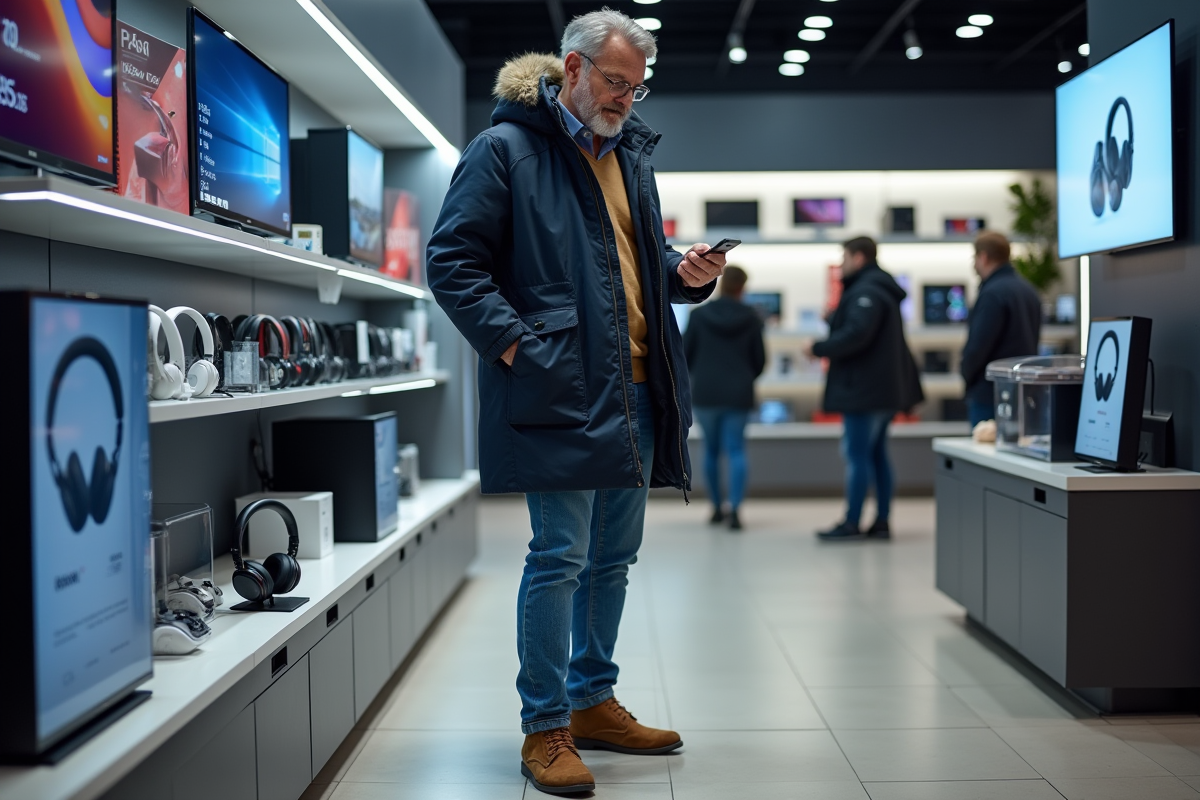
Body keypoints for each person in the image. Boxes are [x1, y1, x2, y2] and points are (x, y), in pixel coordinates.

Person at [425, 10, 724, 796]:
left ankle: (593, 702)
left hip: (637, 385)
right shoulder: (504, 151)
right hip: (558, 384)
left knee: (612, 561)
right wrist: (522, 347)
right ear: (573, 68)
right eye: (616, 81)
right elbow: (453, 262)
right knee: (558, 556)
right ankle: (545, 726)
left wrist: (681, 270)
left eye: (637, 86)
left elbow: (629, 255)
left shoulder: (629, 157)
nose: (627, 98)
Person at [804, 237, 923, 542]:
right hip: (883, 390)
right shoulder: (880, 289)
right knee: (877, 455)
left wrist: (818, 347)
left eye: (844, 257)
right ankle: (881, 521)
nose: (841, 265)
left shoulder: (865, 291)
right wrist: (835, 319)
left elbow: (858, 334)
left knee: (857, 455)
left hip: (864, 391)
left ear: (858, 257)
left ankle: (852, 522)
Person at [683, 266, 765, 531]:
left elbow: (685, 354)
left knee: (711, 451)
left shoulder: (699, 315)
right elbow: (759, 360)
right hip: (738, 393)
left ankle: (716, 508)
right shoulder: (752, 318)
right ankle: (736, 510)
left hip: (706, 392)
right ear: (742, 287)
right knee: (737, 449)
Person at [961, 231, 1043, 428]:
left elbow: (978, 347)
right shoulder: (1029, 291)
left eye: (975, 258)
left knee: (983, 453)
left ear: (983, 257)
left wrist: (966, 374)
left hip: (990, 393)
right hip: (1023, 391)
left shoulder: (991, 294)